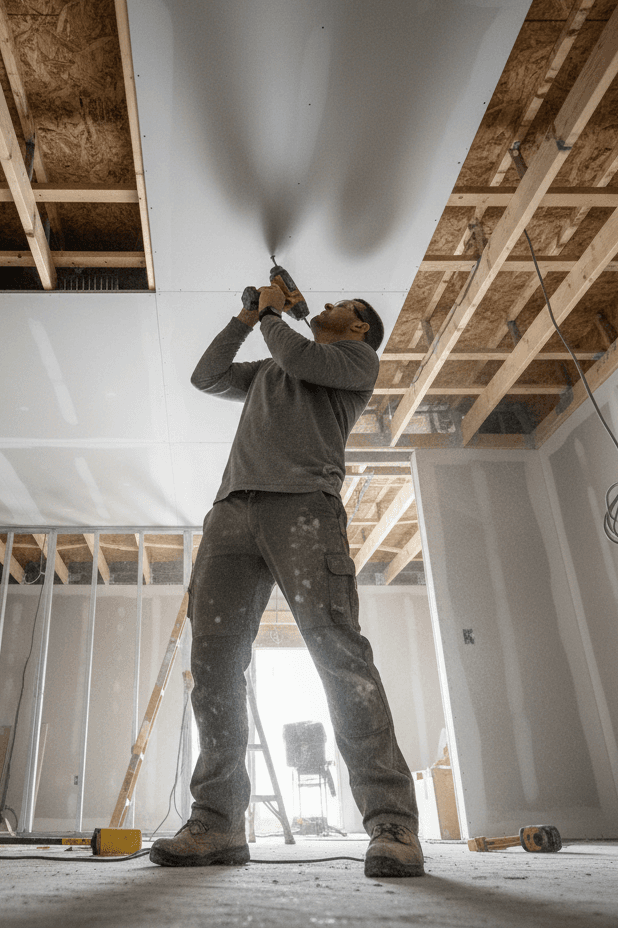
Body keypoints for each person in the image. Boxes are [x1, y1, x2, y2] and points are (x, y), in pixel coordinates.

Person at [149, 279, 422, 878]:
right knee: (215, 664)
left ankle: (392, 823)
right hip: (231, 513)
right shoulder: (272, 370)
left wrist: (274, 314)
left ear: (358, 326)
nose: (330, 303)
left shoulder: (354, 360)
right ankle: (216, 822)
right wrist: (248, 317)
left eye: (344, 304)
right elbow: (207, 375)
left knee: (338, 654)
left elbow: (298, 354)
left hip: (304, 509)